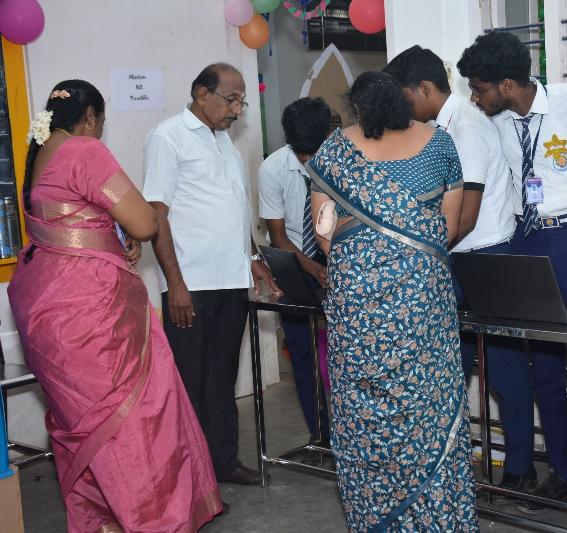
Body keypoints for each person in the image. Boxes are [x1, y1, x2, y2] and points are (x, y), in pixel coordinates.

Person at [8, 79, 222, 531]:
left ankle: (102, 519)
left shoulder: (38, 160)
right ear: (90, 118)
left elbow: (70, 225)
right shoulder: (83, 151)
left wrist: (113, 236)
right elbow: (145, 222)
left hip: (46, 310)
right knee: (134, 418)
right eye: (101, 123)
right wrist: (137, 229)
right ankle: (152, 519)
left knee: (83, 423)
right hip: (93, 314)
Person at [458, 31, 567, 528]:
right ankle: (563, 472)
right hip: (527, 242)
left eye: (481, 87)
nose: (476, 96)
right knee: (543, 369)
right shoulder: (498, 122)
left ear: (508, 83)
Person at [307, 71, 478, 531]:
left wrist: (363, 248)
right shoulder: (439, 143)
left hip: (357, 303)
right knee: (429, 403)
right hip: (422, 299)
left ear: (358, 108)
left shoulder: (334, 150)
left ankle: (376, 513)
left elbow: (322, 235)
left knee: (364, 407)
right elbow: (448, 228)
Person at [383, 46, 537, 498]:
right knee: (453, 369)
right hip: (457, 259)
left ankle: (521, 469)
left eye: (404, 97)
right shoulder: (441, 127)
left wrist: (418, 256)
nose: (401, 108)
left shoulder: (466, 128)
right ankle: (451, 464)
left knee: (506, 373)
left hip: (487, 258)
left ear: (424, 89)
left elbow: (463, 219)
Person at [143, 63, 279, 486]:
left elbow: (235, 212)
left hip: (231, 279)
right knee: (190, 382)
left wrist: (253, 258)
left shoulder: (225, 144)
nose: (238, 109)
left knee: (221, 376)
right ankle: (191, 473)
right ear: (203, 94)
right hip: (192, 286)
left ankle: (223, 462)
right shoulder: (168, 136)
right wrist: (176, 284)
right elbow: (156, 215)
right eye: (232, 99)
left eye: (242, 100)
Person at [258, 96, 331, 442]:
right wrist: (314, 269)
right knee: (302, 352)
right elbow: (278, 235)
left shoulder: (343, 161)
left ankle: (350, 431)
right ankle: (320, 434)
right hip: (296, 262)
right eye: (301, 153)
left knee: (345, 353)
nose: (307, 160)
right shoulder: (273, 169)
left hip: (340, 259)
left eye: (312, 151)